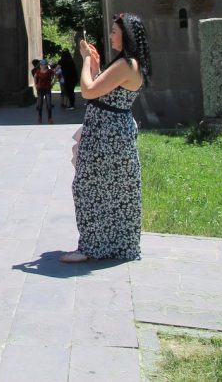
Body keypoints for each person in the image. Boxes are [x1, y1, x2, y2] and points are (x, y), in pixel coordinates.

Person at [60, 13, 151, 264]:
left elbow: (89, 91)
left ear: (127, 34)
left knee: (88, 187)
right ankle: (112, 245)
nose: (110, 35)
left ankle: (90, 246)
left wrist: (86, 60)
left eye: (114, 30)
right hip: (110, 132)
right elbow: (104, 88)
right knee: (114, 190)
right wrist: (96, 67)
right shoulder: (128, 64)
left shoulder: (126, 64)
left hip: (107, 135)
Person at [33, 59, 56, 124]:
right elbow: (35, 77)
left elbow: (56, 75)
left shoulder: (49, 71)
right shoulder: (38, 71)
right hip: (40, 89)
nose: (42, 66)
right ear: (40, 65)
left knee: (48, 104)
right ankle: (39, 118)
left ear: (46, 65)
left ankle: (50, 118)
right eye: (41, 65)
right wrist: (36, 85)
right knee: (40, 105)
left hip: (47, 89)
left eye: (44, 65)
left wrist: (53, 83)